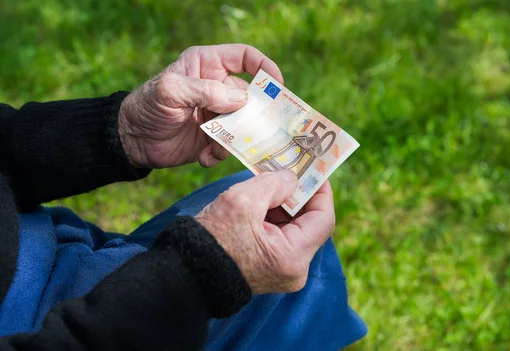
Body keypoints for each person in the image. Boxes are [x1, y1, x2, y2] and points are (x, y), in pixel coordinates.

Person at [0, 44, 367, 350]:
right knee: (289, 258)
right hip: (47, 323)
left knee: (281, 214)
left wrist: (121, 130)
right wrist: (202, 273)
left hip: (40, 241)